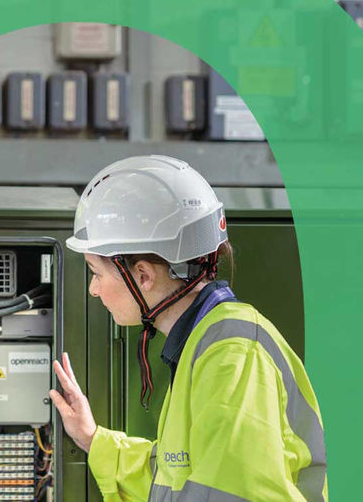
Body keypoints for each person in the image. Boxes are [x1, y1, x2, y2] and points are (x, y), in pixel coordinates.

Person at [49, 156, 326, 501]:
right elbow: (173, 476)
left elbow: (229, 494)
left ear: (144, 276)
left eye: (97, 272)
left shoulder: (231, 355)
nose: (93, 288)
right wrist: (93, 439)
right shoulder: (205, 342)